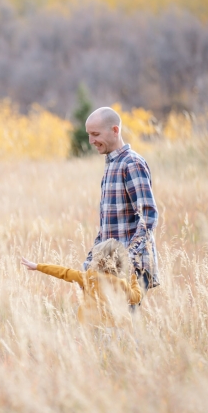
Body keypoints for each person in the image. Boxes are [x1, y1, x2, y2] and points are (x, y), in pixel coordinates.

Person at [84, 107, 160, 291]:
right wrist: (91, 262)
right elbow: (109, 228)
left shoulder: (131, 164)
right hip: (113, 267)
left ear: (115, 130)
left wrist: (127, 259)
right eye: (89, 134)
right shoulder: (112, 165)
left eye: (95, 134)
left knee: (124, 319)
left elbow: (148, 216)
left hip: (131, 270)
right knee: (105, 319)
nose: (91, 140)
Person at [21, 239, 142, 328]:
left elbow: (63, 272)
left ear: (99, 260)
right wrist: (133, 277)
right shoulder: (122, 284)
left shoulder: (88, 277)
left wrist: (38, 266)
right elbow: (136, 297)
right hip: (117, 330)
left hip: (91, 327)